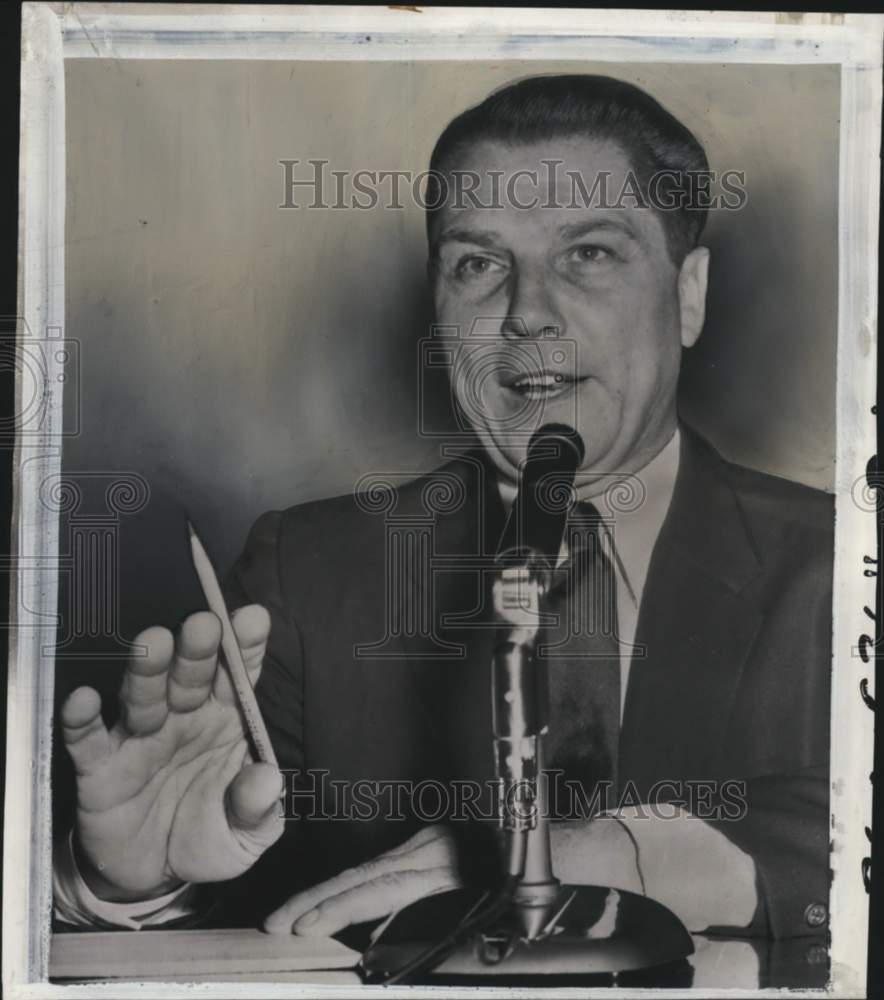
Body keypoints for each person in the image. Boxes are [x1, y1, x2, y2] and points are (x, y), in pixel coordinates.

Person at [54, 74, 832, 943]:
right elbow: (234, 908)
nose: (526, 313)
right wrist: (129, 883)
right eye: (478, 264)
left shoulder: (843, 565)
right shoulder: (308, 576)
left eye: (590, 253)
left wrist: (628, 855)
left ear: (688, 296)